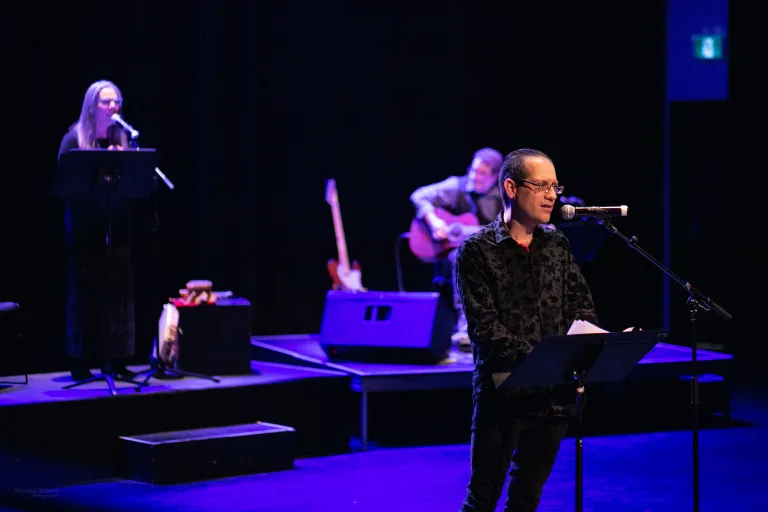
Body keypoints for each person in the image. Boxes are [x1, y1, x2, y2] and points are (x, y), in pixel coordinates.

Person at [455, 148, 598, 512]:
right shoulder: (476, 250)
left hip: (554, 395)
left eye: (555, 186)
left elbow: (581, 303)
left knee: (526, 500)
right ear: (511, 188)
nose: (553, 195)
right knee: (482, 500)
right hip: (504, 393)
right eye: (541, 186)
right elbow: (484, 327)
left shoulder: (556, 244)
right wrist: (544, 359)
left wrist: (579, 344)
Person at [57, 79, 138, 381]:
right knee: (87, 296)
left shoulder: (122, 138)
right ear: (93, 106)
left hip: (117, 229)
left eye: (117, 101)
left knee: (119, 296)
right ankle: (82, 362)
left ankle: (116, 360)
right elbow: (66, 184)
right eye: (106, 102)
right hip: (84, 232)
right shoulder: (74, 139)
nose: (113, 107)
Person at [410, 147, 503, 349]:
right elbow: (419, 196)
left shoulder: (503, 197)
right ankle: (464, 327)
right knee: (463, 256)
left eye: (482, 174)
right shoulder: (456, 186)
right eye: (473, 170)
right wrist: (434, 222)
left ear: (495, 176)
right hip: (454, 252)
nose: (474, 177)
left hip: (491, 252)